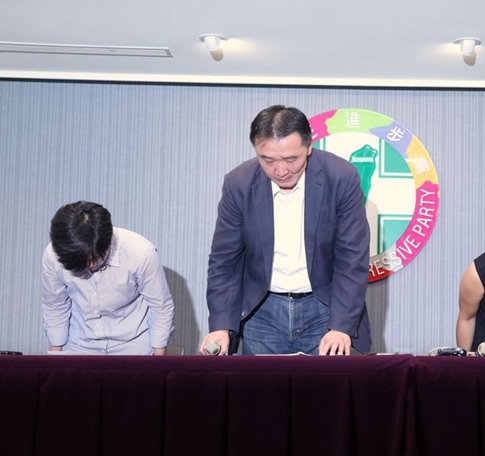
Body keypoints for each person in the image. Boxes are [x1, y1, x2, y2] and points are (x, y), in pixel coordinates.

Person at [201, 105, 371, 356]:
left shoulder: (341, 177)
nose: (280, 171)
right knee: (262, 383)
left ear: (309, 146)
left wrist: (340, 326)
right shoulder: (239, 183)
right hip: (262, 313)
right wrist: (221, 325)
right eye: (268, 160)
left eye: (291, 159)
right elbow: (224, 261)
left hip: (325, 308)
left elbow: (352, 258)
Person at [41, 201, 175, 355]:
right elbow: (55, 305)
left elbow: (160, 307)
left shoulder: (140, 253)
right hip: (79, 345)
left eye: (93, 259)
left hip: (133, 347)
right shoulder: (53, 255)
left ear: (107, 242)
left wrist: (158, 362)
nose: (89, 266)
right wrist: (56, 356)